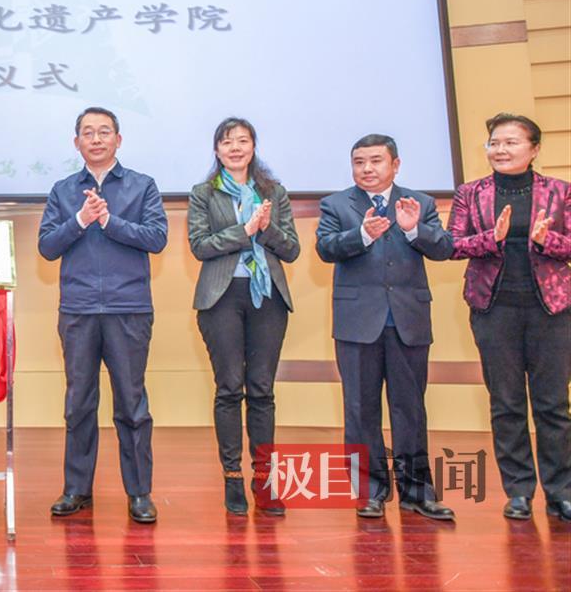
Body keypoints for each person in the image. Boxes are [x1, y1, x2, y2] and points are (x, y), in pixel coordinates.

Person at [39, 106, 167, 523]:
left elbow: (157, 238)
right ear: (76, 142)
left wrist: (109, 221)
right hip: (78, 309)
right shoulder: (63, 190)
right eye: (88, 133)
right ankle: (77, 489)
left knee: (132, 404)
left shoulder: (142, 186)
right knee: (78, 402)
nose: (96, 139)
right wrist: (80, 220)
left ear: (118, 139)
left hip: (129, 308)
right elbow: (47, 246)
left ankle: (139, 492)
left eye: (104, 132)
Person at [316, 134, 454, 521]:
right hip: (357, 323)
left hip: (408, 320)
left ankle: (417, 492)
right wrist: (362, 235)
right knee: (360, 409)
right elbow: (325, 248)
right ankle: (370, 491)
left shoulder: (420, 202)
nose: (367, 169)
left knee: (410, 408)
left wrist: (413, 230)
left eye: (376, 161)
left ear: (395, 164)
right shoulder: (336, 204)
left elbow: (444, 248)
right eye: (359, 162)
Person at [447, 113, 570, 522]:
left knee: (553, 404)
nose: (500, 150)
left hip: (551, 309)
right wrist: (492, 239)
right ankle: (518, 491)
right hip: (494, 309)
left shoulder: (560, 192)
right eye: (494, 143)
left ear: (534, 149)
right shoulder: (471, 193)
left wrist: (546, 239)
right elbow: (453, 245)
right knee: (506, 403)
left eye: (511, 142)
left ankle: (561, 491)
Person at [188, 117, 299, 515]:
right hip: (221, 297)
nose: (235, 148)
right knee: (229, 387)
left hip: (267, 297)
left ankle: (265, 480)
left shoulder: (274, 192)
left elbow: (291, 249)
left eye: (242, 140)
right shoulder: (204, 193)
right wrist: (244, 230)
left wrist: (265, 230)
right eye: (226, 142)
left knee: (262, 389)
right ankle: (233, 478)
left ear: (253, 146)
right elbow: (200, 245)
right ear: (216, 150)